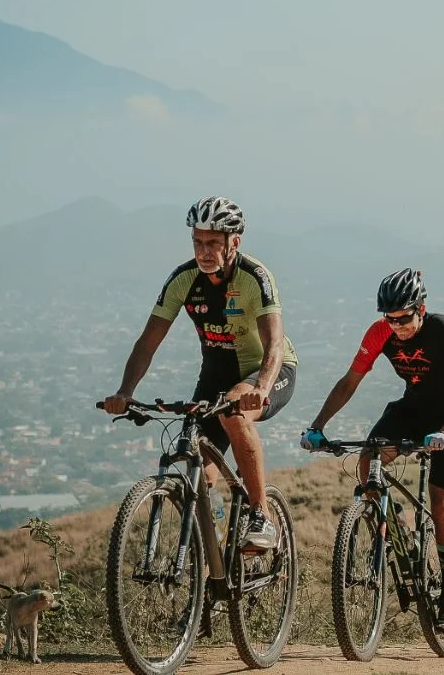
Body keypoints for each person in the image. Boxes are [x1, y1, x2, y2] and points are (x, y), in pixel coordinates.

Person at [102, 197, 298, 550]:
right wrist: (125, 390)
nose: (203, 251)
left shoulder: (255, 276)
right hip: (216, 372)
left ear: (233, 242)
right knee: (198, 462)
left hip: (269, 368)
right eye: (197, 241)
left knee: (236, 415)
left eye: (212, 243)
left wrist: (263, 386)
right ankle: (216, 547)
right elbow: (147, 342)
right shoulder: (183, 279)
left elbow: (274, 343)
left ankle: (261, 515)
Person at [304, 268, 444, 632]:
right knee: (368, 460)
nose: (397, 325)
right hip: (413, 410)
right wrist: (317, 426)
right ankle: (397, 527)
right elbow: (349, 382)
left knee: (442, 503)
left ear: (422, 307)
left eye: (404, 317)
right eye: (390, 318)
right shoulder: (380, 333)